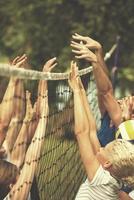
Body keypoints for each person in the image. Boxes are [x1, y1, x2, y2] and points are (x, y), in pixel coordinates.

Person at [71, 34, 134, 199]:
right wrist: (98, 55)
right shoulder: (120, 123)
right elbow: (105, 90)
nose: (126, 99)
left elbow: (106, 93)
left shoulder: (127, 130)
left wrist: (95, 61)